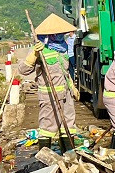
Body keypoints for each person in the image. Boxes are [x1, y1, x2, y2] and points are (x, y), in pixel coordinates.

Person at [18, 14, 79, 150]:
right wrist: (34, 54)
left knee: (68, 125)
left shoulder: (63, 48)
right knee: (47, 126)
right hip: (49, 96)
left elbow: (65, 70)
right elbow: (23, 70)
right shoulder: (39, 48)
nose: (59, 36)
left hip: (66, 94)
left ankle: (68, 156)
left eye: (60, 34)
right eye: (56, 34)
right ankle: (44, 157)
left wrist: (72, 87)